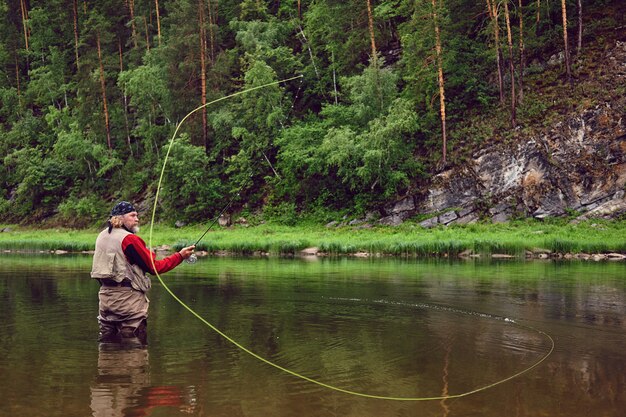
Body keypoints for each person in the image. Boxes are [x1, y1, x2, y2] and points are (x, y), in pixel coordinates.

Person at [91, 201, 195, 340]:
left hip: (105, 299)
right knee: (134, 345)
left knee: (107, 343)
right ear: (120, 218)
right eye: (132, 215)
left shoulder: (102, 236)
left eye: (137, 215)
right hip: (128, 302)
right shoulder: (129, 239)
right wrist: (180, 256)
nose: (137, 219)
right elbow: (155, 268)